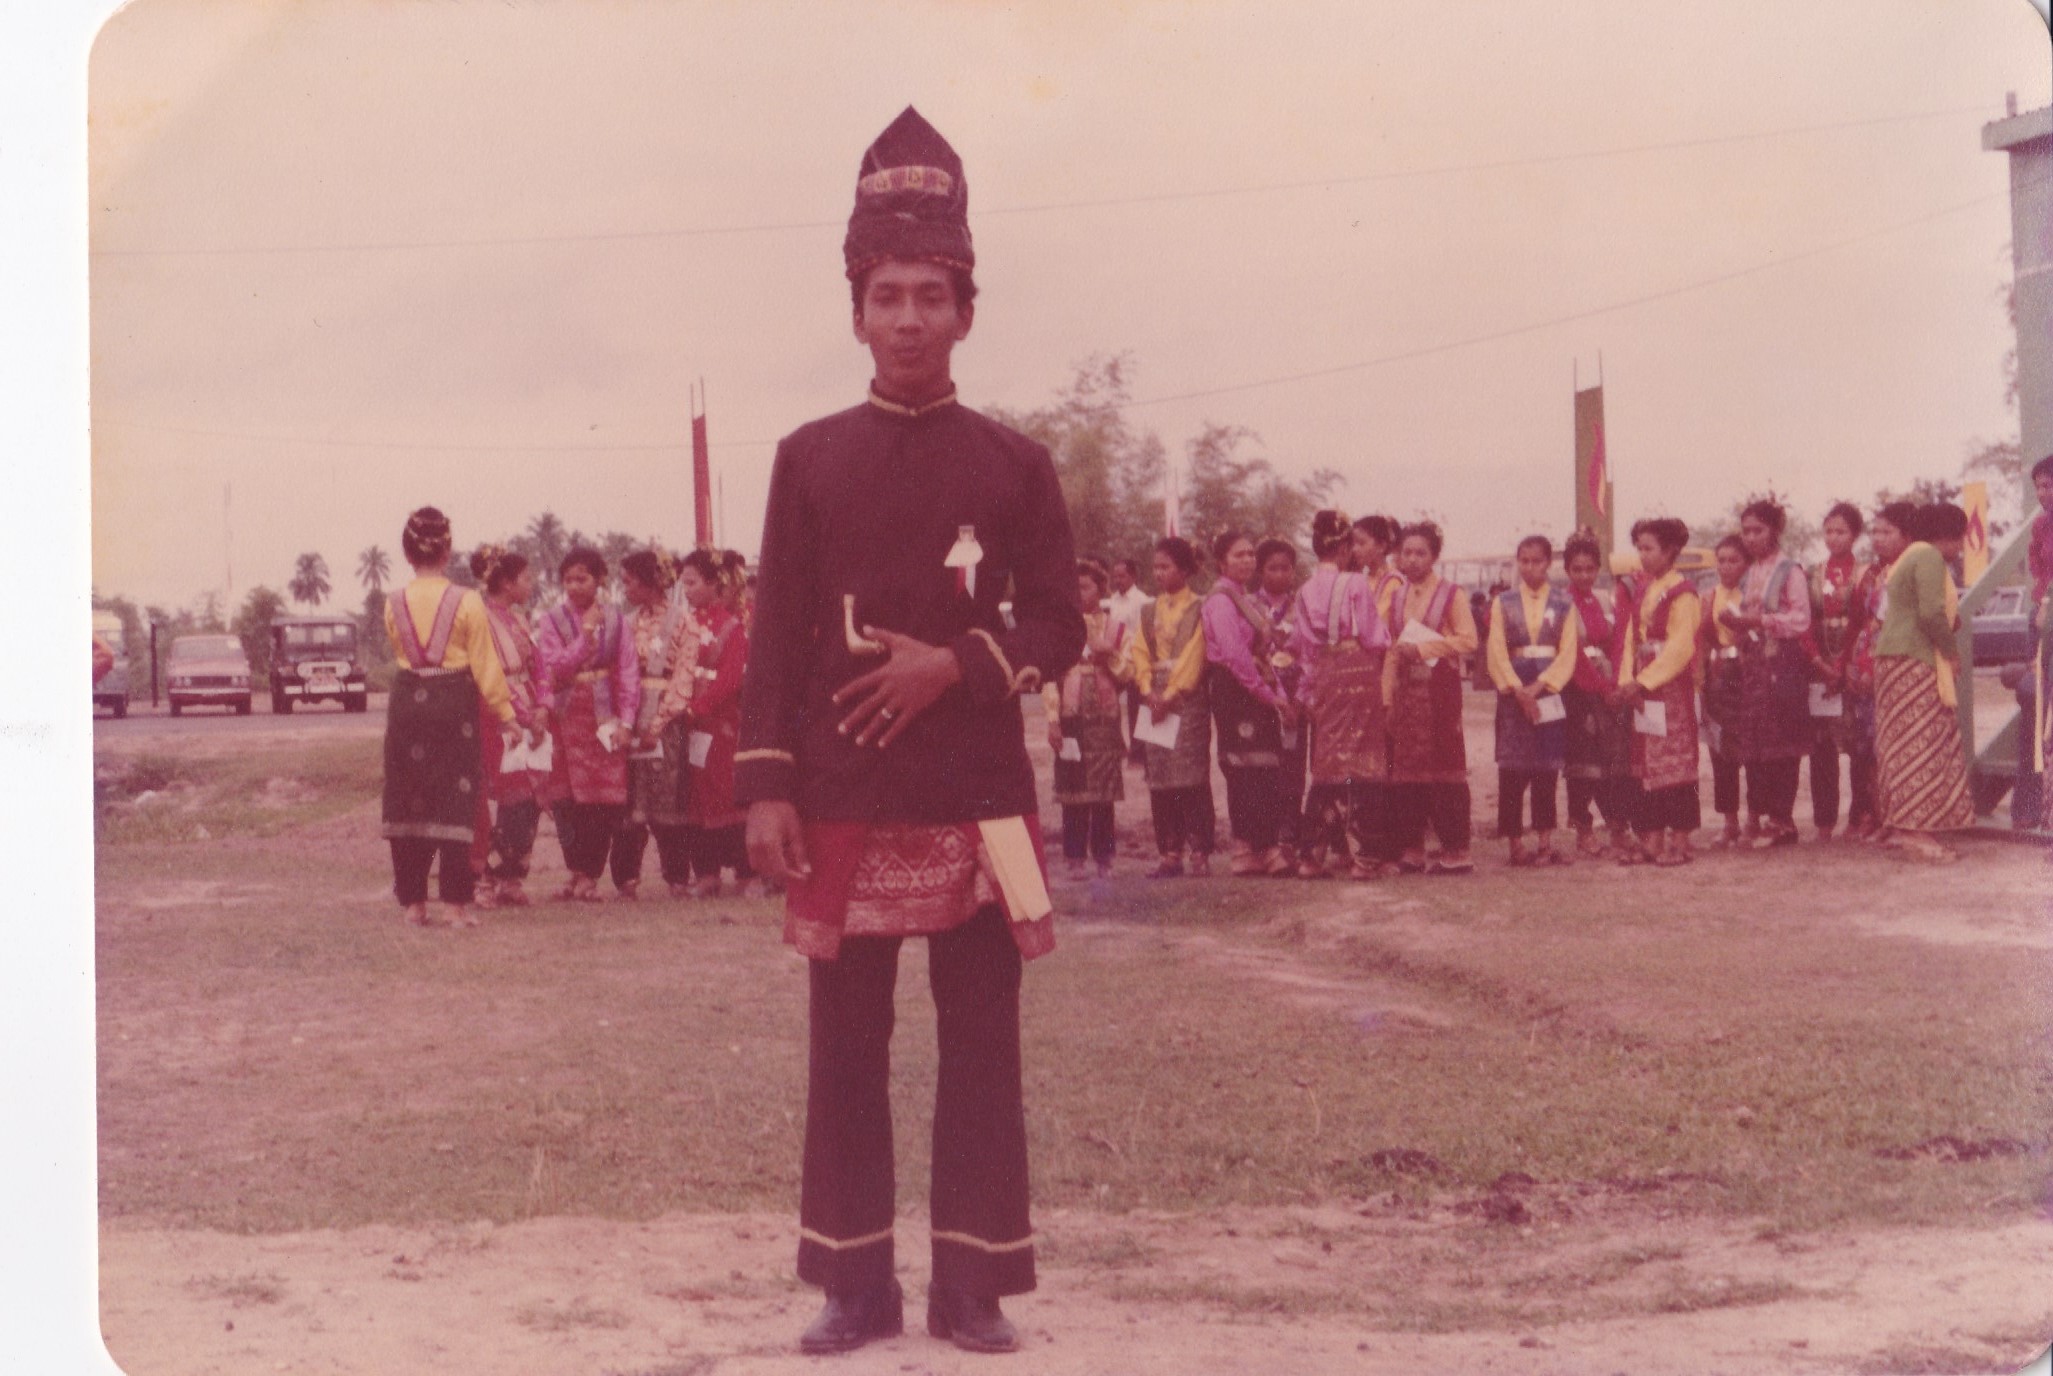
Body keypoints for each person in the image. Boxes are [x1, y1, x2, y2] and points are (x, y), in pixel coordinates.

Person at [734, 107, 1083, 1357]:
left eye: (932, 294)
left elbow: (1060, 620)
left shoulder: (1017, 464)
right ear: (856, 309)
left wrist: (959, 665)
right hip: (838, 795)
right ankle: (853, 1283)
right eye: (887, 294)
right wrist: (764, 787)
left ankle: (974, 1285)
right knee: (846, 1046)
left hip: (985, 791)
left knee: (984, 1044)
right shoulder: (807, 458)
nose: (909, 318)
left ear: (966, 310)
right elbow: (774, 633)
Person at [380, 507, 517, 928]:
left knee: (409, 800)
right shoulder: (468, 601)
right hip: (454, 702)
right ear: (448, 549)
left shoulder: (394, 602)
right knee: (457, 801)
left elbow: (401, 651)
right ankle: (455, 906)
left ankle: (413, 904)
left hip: (407, 704)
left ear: (406, 552)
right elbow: (486, 665)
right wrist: (507, 715)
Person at [1872, 503, 1974, 862]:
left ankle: (1901, 826)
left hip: (1893, 658)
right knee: (1921, 744)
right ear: (1946, 535)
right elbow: (1931, 613)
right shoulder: (1928, 556)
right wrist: (1951, 653)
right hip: (1914, 659)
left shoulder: (1907, 557)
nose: (1960, 548)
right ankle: (1915, 831)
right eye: (1959, 539)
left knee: (1900, 745)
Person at [538, 547, 639, 902]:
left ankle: (591, 874)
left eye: (582, 578)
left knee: (601, 800)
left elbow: (628, 672)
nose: (575, 586)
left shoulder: (618, 620)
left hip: (604, 717)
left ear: (599, 579)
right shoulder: (550, 620)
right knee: (565, 800)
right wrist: (585, 637)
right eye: (568, 579)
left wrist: (627, 720)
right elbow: (554, 668)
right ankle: (576, 871)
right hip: (564, 719)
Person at [1717, 499, 1812, 848]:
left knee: (1781, 742)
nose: (1752, 537)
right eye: (1746, 531)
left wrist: (1757, 620)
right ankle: (1762, 817)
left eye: (1758, 530)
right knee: (1755, 743)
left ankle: (1783, 822)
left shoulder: (1791, 571)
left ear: (1775, 530)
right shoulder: (1752, 573)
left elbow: (1801, 620)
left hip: (1781, 663)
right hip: (1753, 663)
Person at [1386, 521, 1478, 874]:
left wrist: (1424, 648)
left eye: (1420, 552)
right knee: (1406, 767)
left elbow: (1468, 640)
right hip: (1406, 692)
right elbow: (1392, 647)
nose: (1412, 559)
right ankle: (1411, 846)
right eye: (1406, 552)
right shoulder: (1397, 596)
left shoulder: (1451, 594)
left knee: (1445, 765)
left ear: (1434, 556)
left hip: (1439, 690)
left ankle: (1456, 849)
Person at [1203, 531, 1293, 876]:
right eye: (1238, 555)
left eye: (1250, 555)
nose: (1246, 561)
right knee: (1243, 771)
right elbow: (1235, 656)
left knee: (1264, 768)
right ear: (1222, 562)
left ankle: (1262, 846)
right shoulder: (1221, 601)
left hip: (1254, 687)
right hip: (1236, 689)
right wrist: (1268, 695)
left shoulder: (1246, 599)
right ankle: (1250, 848)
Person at [1614, 517, 1702, 866]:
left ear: (1670, 551)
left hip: (1670, 687)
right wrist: (1626, 683)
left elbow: (1681, 647)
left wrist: (1644, 681)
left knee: (1676, 764)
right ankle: (1651, 838)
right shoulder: (1644, 590)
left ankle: (1679, 840)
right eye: (1639, 548)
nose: (1642, 556)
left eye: (1649, 549)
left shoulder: (1684, 593)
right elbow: (1629, 640)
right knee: (1645, 765)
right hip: (1643, 684)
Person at [1125, 536, 1215, 877]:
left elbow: (1196, 654)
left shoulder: (1199, 608)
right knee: (1161, 776)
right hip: (1154, 697)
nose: (1159, 573)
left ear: (1184, 569)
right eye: (1156, 567)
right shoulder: (1149, 611)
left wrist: (1173, 694)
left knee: (1190, 774)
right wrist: (1148, 690)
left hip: (1186, 699)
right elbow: (1139, 651)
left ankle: (1200, 850)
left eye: (1166, 566)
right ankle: (1169, 852)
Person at [1485, 535, 1578, 866]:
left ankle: (1544, 841)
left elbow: (1568, 652)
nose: (1529, 567)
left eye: (1536, 561)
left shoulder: (1564, 603)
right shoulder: (1503, 602)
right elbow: (1496, 649)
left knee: (1545, 769)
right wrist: (1517, 688)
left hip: (1549, 691)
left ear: (1548, 563)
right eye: (1523, 560)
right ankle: (1514, 843)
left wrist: (1541, 686)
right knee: (1512, 771)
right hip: (1514, 694)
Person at [473, 546, 556, 907]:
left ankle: (512, 876)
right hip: (498, 715)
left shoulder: (520, 620)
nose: (530, 583)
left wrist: (543, 707)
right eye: (525, 577)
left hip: (529, 713)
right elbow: (491, 676)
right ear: (507, 583)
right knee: (511, 796)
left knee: (531, 797)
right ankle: (487, 878)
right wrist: (522, 714)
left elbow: (540, 668)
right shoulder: (481, 621)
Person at [615, 548, 698, 899]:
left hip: (666, 721)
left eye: (629, 581)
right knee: (630, 802)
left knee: (668, 801)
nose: (625, 589)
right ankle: (626, 879)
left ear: (650, 582)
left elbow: (683, 676)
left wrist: (660, 721)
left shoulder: (683, 621)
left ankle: (677, 877)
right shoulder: (628, 622)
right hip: (632, 716)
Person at [1043, 559, 1126, 879]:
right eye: (1074, 587)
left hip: (1105, 719)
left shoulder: (1115, 626)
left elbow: (1128, 672)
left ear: (1100, 589)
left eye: (1086, 586)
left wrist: (1110, 656)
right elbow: (1050, 676)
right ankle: (1074, 857)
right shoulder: (1061, 629)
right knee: (1073, 789)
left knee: (1104, 791)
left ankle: (1104, 857)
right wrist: (1052, 719)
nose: (1079, 593)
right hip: (1071, 716)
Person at [679, 547, 753, 896]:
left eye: (693, 583)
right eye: (684, 584)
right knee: (696, 797)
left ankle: (745, 872)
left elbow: (731, 678)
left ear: (713, 583)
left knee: (727, 793)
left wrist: (700, 705)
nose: (688, 590)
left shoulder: (731, 626)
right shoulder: (684, 625)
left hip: (719, 723)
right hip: (690, 723)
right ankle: (706, 873)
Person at [1804, 502, 1876, 841]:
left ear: (1855, 535)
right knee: (1822, 749)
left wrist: (1846, 664)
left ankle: (1860, 815)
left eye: (1842, 531)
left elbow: (1863, 623)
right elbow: (1805, 623)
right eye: (1829, 531)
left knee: (1860, 747)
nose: (1834, 538)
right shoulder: (1813, 574)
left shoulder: (1866, 574)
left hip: (1851, 667)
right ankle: (1823, 821)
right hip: (1820, 671)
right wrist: (1818, 662)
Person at [1560, 530, 1634, 858]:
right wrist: (1601, 688)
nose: (1584, 575)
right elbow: (1572, 653)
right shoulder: (1562, 602)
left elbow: (1618, 642)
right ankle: (1584, 829)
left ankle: (1617, 824)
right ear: (1567, 569)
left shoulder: (1605, 600)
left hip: (1608, 685)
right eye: (1577, 569)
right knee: (1583, 763)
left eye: (1590, 568)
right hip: (1577, 688)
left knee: (1614, 760)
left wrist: (1616, 682)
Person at [1847, 503, 1912, 843]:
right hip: (1866, 655)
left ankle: (1895, 817)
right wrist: (1854, 662)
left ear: (1906, 535)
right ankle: (1875, 813)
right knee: (1867, 748)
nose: (1878, 538)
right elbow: (1862, 622)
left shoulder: (1907, 571)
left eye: (1887, 532)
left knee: (1889, 745)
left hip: (1889, 661)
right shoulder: (1872, 573)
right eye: (1875, 531)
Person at [1252, 538, 1307, 867]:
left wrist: (1299, 697)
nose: (1279, 574)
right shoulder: (1249, 605)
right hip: (1262, 697)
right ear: (1260, 571)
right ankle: (1267, 839)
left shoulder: (1302, 606)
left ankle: (1291, 836)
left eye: (1286, 568)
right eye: (1272, 567)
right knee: (1265, 768)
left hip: (1296, 697)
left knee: (1293, 766)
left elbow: (1309, 652)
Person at [1700, 535, 1752, 847]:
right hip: (1718, 676)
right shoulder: (1707, 597)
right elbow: (1703, 640)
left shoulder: (1752, 595)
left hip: (1747, 674)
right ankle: (1729, 821)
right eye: (1721, 560)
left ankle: (1754, 819)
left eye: (1734, 560)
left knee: (1751, 748)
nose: (1726, 566)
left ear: (1746, 564)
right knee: (1721, 752)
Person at [1105, 556, 1150, 764]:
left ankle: (1139, 752)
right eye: (1115, 576)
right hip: (1114, 661)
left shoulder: (1142, 601)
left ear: (1133, 576)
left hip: (1134, 662)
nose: (1118, 580)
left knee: (1136, 708)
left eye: (1122, 576)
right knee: (1107, 703)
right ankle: (1118, 745)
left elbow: (1143, 635)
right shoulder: (1113, 600)